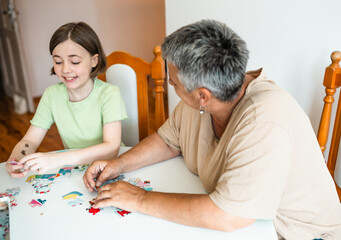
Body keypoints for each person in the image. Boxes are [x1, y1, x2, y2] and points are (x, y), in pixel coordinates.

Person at [83, 19, 341, 239]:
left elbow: (229, 215)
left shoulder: (265, 119)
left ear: (202, 96)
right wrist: (119, 164)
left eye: (173, 83)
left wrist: (138, 199)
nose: (170, 84)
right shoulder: (206, 100)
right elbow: (168, 141)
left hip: (296, 233)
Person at [6, 22, 127, 177]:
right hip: (76, 170)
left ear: (94, 61)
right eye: (58, 62)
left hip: (110, 168)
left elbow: (111, 147)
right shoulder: (51, 95)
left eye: (75, 61)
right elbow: (30, 140)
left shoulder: (109, 94)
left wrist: (57, 159)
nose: (65, 69)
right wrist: (16, 160)